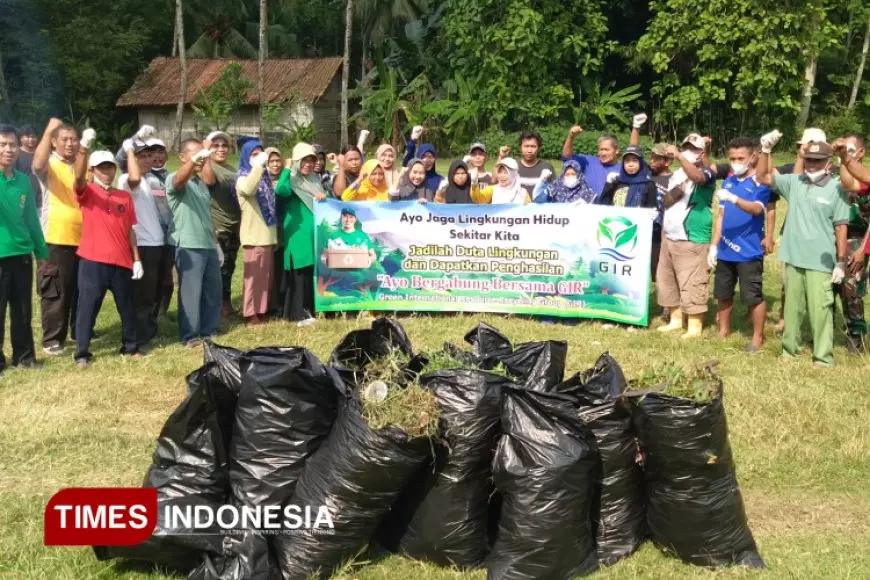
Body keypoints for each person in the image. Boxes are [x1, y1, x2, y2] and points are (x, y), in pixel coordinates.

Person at [756, 131, 852, 367]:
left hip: (820, 261)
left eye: (817, 161)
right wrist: (766, 151)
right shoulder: (794, 183)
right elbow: (763, 177)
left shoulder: (837, 188)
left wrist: (841, 261)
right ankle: (789, 351)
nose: (812, 165)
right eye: (809, 160)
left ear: (827, 162)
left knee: (821, 311)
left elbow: (841, 227)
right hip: (793, 256)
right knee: (792, 309)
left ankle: (823, 358)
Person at [72, 139, 142, 369]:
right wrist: (83, 148)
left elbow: (130, 229)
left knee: (128, 306)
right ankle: (82, 352)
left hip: (121, 261)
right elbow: (79, 178)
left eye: (110, 167)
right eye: (101, 168)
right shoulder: (88, 192)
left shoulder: (124, 196)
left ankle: (131, 346)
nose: (107, 172)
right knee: (87, 308)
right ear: (93, 171)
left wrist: (137, 259)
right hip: (93, 260)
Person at [708, 137, 771, 352]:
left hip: (748, 251)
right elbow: (721, 215)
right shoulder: (729, 180)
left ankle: (757, 338)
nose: (736, 162)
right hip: (726, 249)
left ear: (753, 156)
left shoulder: (760, 183)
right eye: (732, 158)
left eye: (740, 158)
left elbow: (756, 209)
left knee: (752, 296)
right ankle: (723, 331)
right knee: (723, 293)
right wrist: (714, 245)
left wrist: (735, 199)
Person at [656, 133, 717, 339]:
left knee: (692, 281)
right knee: (668, 279)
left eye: (693, 149)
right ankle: (675, 319)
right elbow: (668, 201)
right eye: (685, 148)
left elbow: (698, 178)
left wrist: (680, 158)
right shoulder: (677, 174)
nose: (687, 152)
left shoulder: (707, 173)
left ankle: (694, 326)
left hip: (692, 236)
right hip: (671, 235)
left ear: (701, 154)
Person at [31, 117, 82, 355]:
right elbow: (37, 166)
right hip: (55, 237)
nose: (70, 144)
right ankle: (53, 338)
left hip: (84, 238)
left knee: (81, 288)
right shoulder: (50, 163)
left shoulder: (83, 165)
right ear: (54, 143)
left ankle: (79, 330)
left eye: (74, 139)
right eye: (64, 139)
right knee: (56, 290)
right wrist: (49, 129)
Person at [0, 125, 48, 373]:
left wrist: (41, 252)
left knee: (22, 310)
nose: (8, 150)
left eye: (12, 145)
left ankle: (25, 356)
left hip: (21, 255)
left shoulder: (22, 182)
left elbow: (31, 220)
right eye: (3, 145)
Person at [166, 139, 222, 347]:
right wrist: (193, 163)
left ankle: (209, 329)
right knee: (190, 292)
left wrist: (216, 243)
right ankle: (189, 335)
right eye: (195, 154)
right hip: (188, 244)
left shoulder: (200, 184)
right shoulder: (175, 178)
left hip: (207, 243)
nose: (201, 159)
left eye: (203, 155)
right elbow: (179, 181)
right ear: (182, 157)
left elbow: (208, 183)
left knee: (211, 290)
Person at [118, 138, 167, 350]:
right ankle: (138, 337)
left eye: (149, 156)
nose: (148, 160)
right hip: (143, 244)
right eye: (142, 156)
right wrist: (129, 150)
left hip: (157, 243)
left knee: (154, 292)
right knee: (141, 295)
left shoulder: (150, 181)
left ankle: (149, 332)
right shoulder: (126, 180)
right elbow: (134, 177)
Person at [275, 143, 327, 326]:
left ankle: (310, 309)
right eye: (304, 161)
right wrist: (287, 170)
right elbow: (280, 190)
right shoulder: (292, 178)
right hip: (297, 232)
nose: (308, 164)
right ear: (296, 161)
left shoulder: (315, 179)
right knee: (299, 269)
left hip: (313, 231)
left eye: (312, 160)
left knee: (311, 269)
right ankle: (298, 312)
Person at [830, 133, 870, 353]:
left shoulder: (866, 178)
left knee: (851, 289)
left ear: (862, 152)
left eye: (852, 148)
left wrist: (863, 249)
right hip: (834, 236)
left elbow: (851, 183)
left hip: (858, 239)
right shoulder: (832, 175)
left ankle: (856, 335)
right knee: (830, 286)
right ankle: (825, 331)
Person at [235, 140, 278, 326]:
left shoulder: (264, 178)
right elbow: (248, 189)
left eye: (261, 154)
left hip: (266, 235)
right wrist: (259, 166)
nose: (259, 157)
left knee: (264, 278)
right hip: (254, 236)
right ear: (246, 157)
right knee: (253, 278)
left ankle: (261, 311)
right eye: (254, 154)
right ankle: (250, 313)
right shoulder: (243, 177)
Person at [201, 130, 240, 318]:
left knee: (230, 267)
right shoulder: (209, 166)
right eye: (216, 145)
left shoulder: (232, 169)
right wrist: (206, 154)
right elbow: (208, 180)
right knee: (219, 269)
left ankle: (226, 304)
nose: (221, 148)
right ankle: (216, 308)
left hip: (235, 226)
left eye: (224, 145)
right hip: (219, 226)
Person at [560, 115, 647, 197]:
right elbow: (566, 157)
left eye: (606, 150)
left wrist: (636, 127)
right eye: (601, 149)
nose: (602, 153)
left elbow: (633, 152)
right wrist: (571, 137)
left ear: (616, 150)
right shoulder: (588, 162)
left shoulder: (622, 168)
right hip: (589, 206)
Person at [142, 138, 175, 318]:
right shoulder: (143, 178)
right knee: (152, 276)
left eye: (160, 151)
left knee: (167, 275)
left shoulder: (171, 176)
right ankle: (150, 312)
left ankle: (162, 311)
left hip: (170, 235)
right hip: (151, 235)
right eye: (152, 152)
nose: (157, 156)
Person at [648, 143, 674, 290]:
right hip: (646, 228)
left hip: (663, 230)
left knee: (662, 267)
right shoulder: (648, 175)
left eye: (657, 158)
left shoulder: (673, 179)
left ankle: (666, 302)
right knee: (650, 267)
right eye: (652, 156)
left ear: (667, 162)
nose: (652, 160)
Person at [532, 160, 596, 204]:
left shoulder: (586, 191)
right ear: (563, 176)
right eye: (567, 174)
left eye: (573, 174)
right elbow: (538, 200)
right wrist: (542, 180)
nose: (570, 176)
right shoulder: (555, 188)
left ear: (579, 175)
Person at [402, 125, 443, 192]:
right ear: (418, 158)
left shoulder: (440, 180)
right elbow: (406, 162)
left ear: (434, 159)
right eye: (424, 156)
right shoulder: (413, 178)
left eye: (430, 157)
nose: (427, 160)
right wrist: (413, 140)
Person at [515, 131, 555, 196]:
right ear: (520, 147)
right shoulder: (513, 167)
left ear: (539, 148)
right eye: (526, 146)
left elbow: (554, 190)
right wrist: (501, 157)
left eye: (533, 146)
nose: (529, 150)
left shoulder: (547, 167)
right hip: (518, 206)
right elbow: (495, 181)